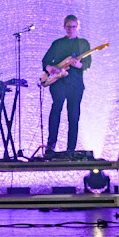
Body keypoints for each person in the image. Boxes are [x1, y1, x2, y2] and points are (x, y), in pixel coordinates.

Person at [42, 15, 91, 155]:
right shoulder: (57, 43)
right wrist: (49, 68)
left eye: (74, 27)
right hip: (58, 83)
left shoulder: (83, 44)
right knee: (56, 111)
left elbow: (88, 63)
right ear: (64, 26)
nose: (71, 29)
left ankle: (71, 149)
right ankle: (50, 147)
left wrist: (79, 64)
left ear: (78, 27)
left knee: (74, 115)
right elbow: (45, 60)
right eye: (68, 27)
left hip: (75, 84)